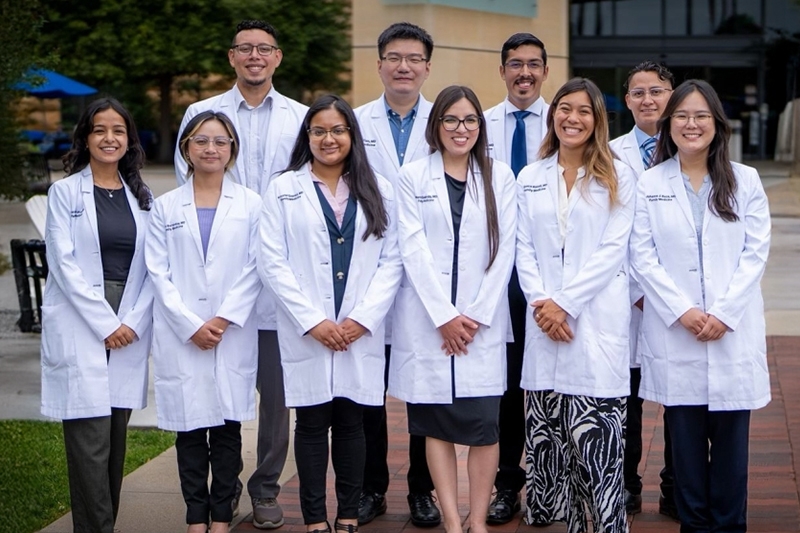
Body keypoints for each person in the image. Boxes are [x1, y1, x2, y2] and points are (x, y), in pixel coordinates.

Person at [175, 19, 308, 529]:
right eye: (245, 48)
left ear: (278, 57)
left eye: (264, 49)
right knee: (219, 390)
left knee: (276, 399)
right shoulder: (200, 115)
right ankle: (222, 488)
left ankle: (267, 487)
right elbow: (191, 193)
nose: (255, 56)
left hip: (277, 283)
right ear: (231, 57)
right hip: (217, 283)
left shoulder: (299, 118)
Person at [630, 79, 771, 533]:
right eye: (683, 117)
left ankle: (730, 526)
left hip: (731, 332)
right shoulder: (649, 183)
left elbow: (755, 253)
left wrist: (724, 314)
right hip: (679, 333)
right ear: (669, 125)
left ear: (716, 124)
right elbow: (642, 255)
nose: (691, 125)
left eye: (701, 116)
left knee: (731, 452)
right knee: (686, 453)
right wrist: (683, 311)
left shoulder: (744, 180)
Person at [259, 94, 403, 533]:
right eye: (319, 130)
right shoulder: (284, 188)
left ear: (352, 136)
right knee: (311, 422)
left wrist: (362, 319)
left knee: (352, 422)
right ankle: (315, 518)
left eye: (338, 130)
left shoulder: (378, 186)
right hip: (310, 330)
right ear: (307, 136)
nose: (329, 138)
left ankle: (348, 514)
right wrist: (314, 321)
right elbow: (271, 261)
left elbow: (393, 259)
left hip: (358, 329)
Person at [390, 85, 517, 533]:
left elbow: (505, 252)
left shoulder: (499, 176)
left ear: (480, 127)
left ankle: (477, 521)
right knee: (437, 425)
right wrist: (443, 316)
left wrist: (475, 316)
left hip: (480, 325)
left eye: (469, 120)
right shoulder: (412, 176)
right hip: (429, 322)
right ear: (436, 126)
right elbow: (412, 249)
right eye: (450, 120)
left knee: (485, 426)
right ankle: (450, 520)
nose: (460, 129)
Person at [516, 78, 635, 532]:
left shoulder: (619, 174)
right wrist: (543, 305)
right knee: (548, 448)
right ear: (553, 115)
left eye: (584, 111)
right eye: (564, 108)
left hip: (593, 321)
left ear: (597, 120)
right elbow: (522, 248)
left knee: (596, 449)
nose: (572, 118)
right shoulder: (531, 176)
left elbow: (613, 249)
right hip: (545, 324)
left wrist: (564, 304)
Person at [40, 97, 153, 533]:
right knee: (89, 443)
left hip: (128, 322)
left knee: (115, 442)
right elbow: (64, 266)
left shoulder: (143, 198)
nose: (110, 138)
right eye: (100, 130)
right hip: (86, 320)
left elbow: (152, 272)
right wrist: (107, 324)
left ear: (129, 140)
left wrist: (131, 324)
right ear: (85, 138)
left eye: (119, 131)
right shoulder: (64, 193)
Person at [147, 111, 262, 533]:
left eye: (220, 141)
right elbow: (157, 272)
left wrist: (223, 318)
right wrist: (190, 324)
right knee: (190, 432)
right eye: (200, 141)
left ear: (232, 150)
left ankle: (219, 517)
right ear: (186, 150)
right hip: (183, 336)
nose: (210, 148)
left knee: (228, 431)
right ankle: (195, 517)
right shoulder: (165, 206)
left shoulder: (252, 203)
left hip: (230, 332)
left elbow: (257, 266)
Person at [353, 21, 440, 527]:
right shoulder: (356, 122)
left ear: (427, 67)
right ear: (379, 63)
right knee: (370, 389)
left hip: (427, 272)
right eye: (394, 57)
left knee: (422, 388)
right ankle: (371, 488)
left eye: (413, 58)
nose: (403, 66)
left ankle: (422, 490)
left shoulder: (446, 120)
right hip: (371, 269)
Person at [481, 32, 550, 526]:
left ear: (545, 71)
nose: (523, 73)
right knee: (506, 386)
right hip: (497, 275)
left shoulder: (568, 119)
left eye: (533, 64)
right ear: (502, 71)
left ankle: (553, 481)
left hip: (550, 273)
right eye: (514, 65)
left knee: (550, 382)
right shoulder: (478, 125)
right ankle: (508, 483)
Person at [609, 60, 678, 519]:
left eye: (657, 91)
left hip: (678, 299)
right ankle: (627, 484)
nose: (648, 100)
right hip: (626, 298)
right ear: (627, 100)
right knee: (627, 397)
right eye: (638, 92)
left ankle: (676, 485)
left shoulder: (692, 148)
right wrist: (638, 288)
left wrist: (667, 293)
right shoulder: (610, 153)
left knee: (680, 399)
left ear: (672, 95)